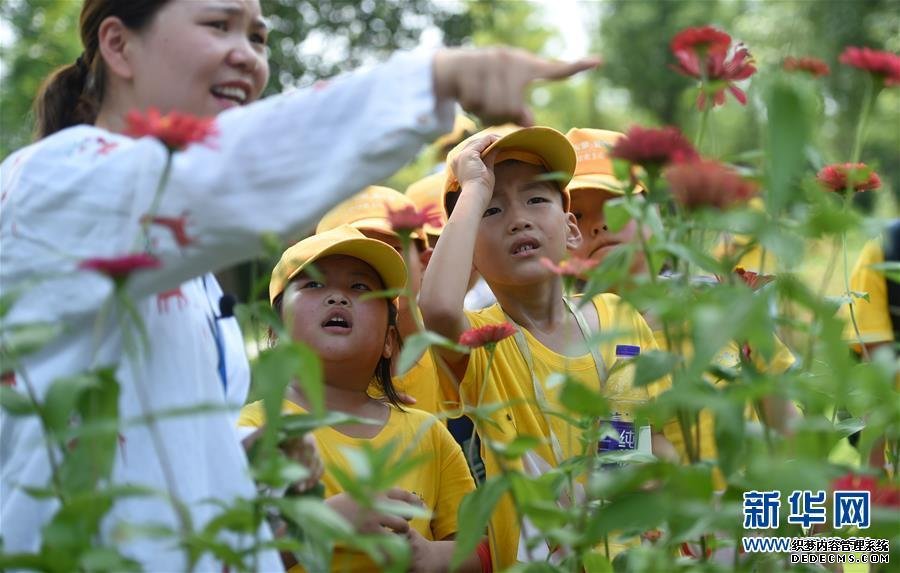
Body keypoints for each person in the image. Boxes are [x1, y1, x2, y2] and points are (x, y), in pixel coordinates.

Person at [0, 0, 599, 568]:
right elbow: (229, 172)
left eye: (258, 37)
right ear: (118, 44)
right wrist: (433, 81)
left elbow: (146, 477)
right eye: (219, 25)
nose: (248, 56)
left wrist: (235, 470)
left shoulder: (183, 272)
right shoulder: (59, 182)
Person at [419, 125, 674, 568]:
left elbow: (651, 439)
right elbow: (438, 307)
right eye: (492, 209)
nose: (519, 218)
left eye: (537, 199)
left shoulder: (617, 318)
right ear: (468, 253)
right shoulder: (483, 345)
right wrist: (474, 186)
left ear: (571, 229)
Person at [238, 225, 480, 572]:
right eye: (314, 284)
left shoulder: (428, 434)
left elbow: (479, 547)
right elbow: (222, 556)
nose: (338, 297)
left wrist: (431, 555)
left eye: (360, 287)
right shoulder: (252, 431)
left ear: (388, 341)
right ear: (275, 333)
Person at [316, 185, 441, 414]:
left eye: (393, 250)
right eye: (356, 260)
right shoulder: (312, 389)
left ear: (424, 262)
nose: (377, 271)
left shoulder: (458, 351)